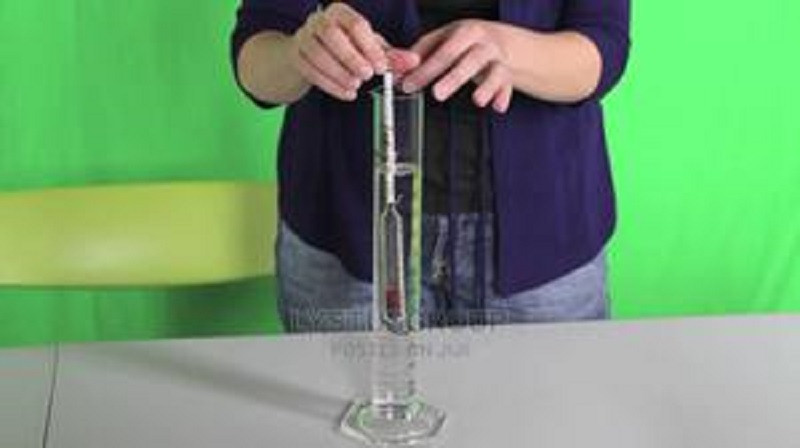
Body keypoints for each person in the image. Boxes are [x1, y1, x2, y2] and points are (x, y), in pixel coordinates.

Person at [231, 0, 630, 332]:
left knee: (544, 406)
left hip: (542, 240)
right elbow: (255, 54)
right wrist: (298, 54)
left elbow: (604, 45)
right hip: (346, 232)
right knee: (341, 403)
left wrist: (508, 50)